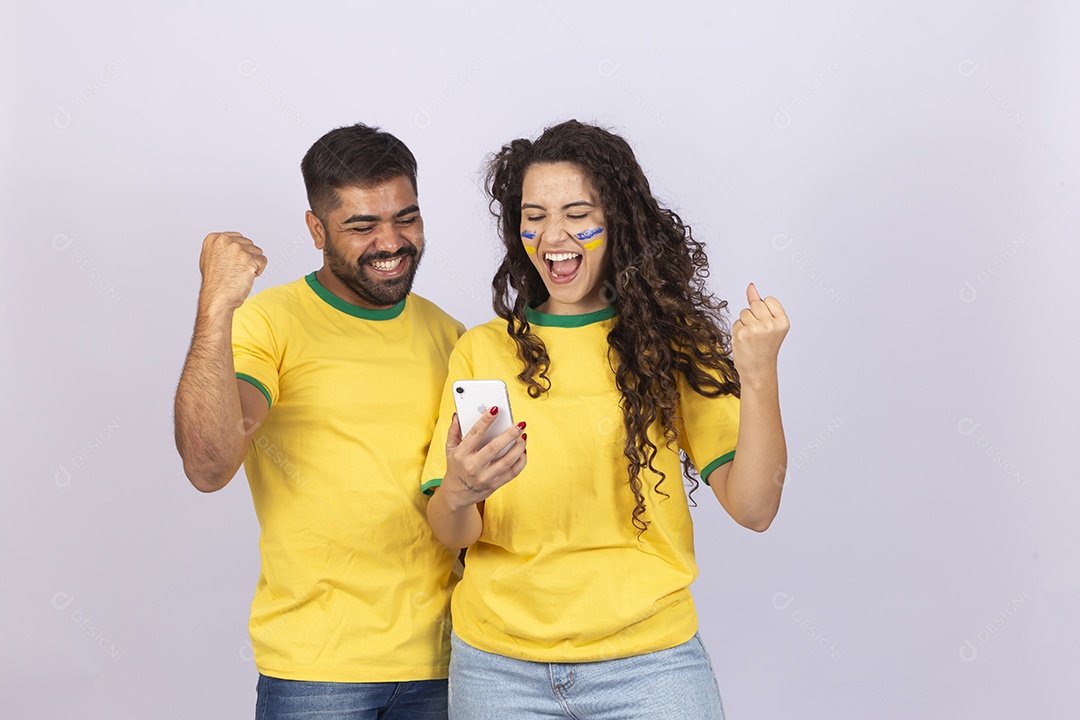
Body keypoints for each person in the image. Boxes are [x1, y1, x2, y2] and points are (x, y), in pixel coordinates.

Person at [422, 120, 789, 719]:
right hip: (498, 669)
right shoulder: (483, 350)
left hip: (650, 664)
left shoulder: (671, 344)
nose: (552, 236)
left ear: (617, 221)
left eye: (576, 212)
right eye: (534, 215)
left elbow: (755, 508)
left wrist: (760, 376)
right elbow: (451, 529)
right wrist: (460, 492)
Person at [173, 123, 470, 719]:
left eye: (406, 218)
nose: (391, 241)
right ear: (316, 229)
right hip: (316, 672)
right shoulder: (268, 324)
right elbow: (208, 465)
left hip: (449, 664)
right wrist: (216, 307)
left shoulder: (451, 335)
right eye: (361, 226)